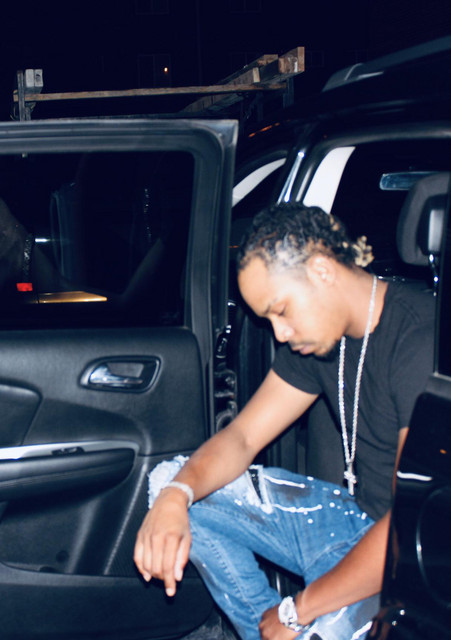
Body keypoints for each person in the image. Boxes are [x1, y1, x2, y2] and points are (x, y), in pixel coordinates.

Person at [134, 204, 435, 640]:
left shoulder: (420, 339)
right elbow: (242, 437)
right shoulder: (323, 335)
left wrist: (298, 609)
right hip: (352, 521)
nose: (279, 334)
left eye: (281, 310)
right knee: (173, 483)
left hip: (405, 555)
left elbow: (412, 524)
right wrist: (174, 497)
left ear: (322, 271)